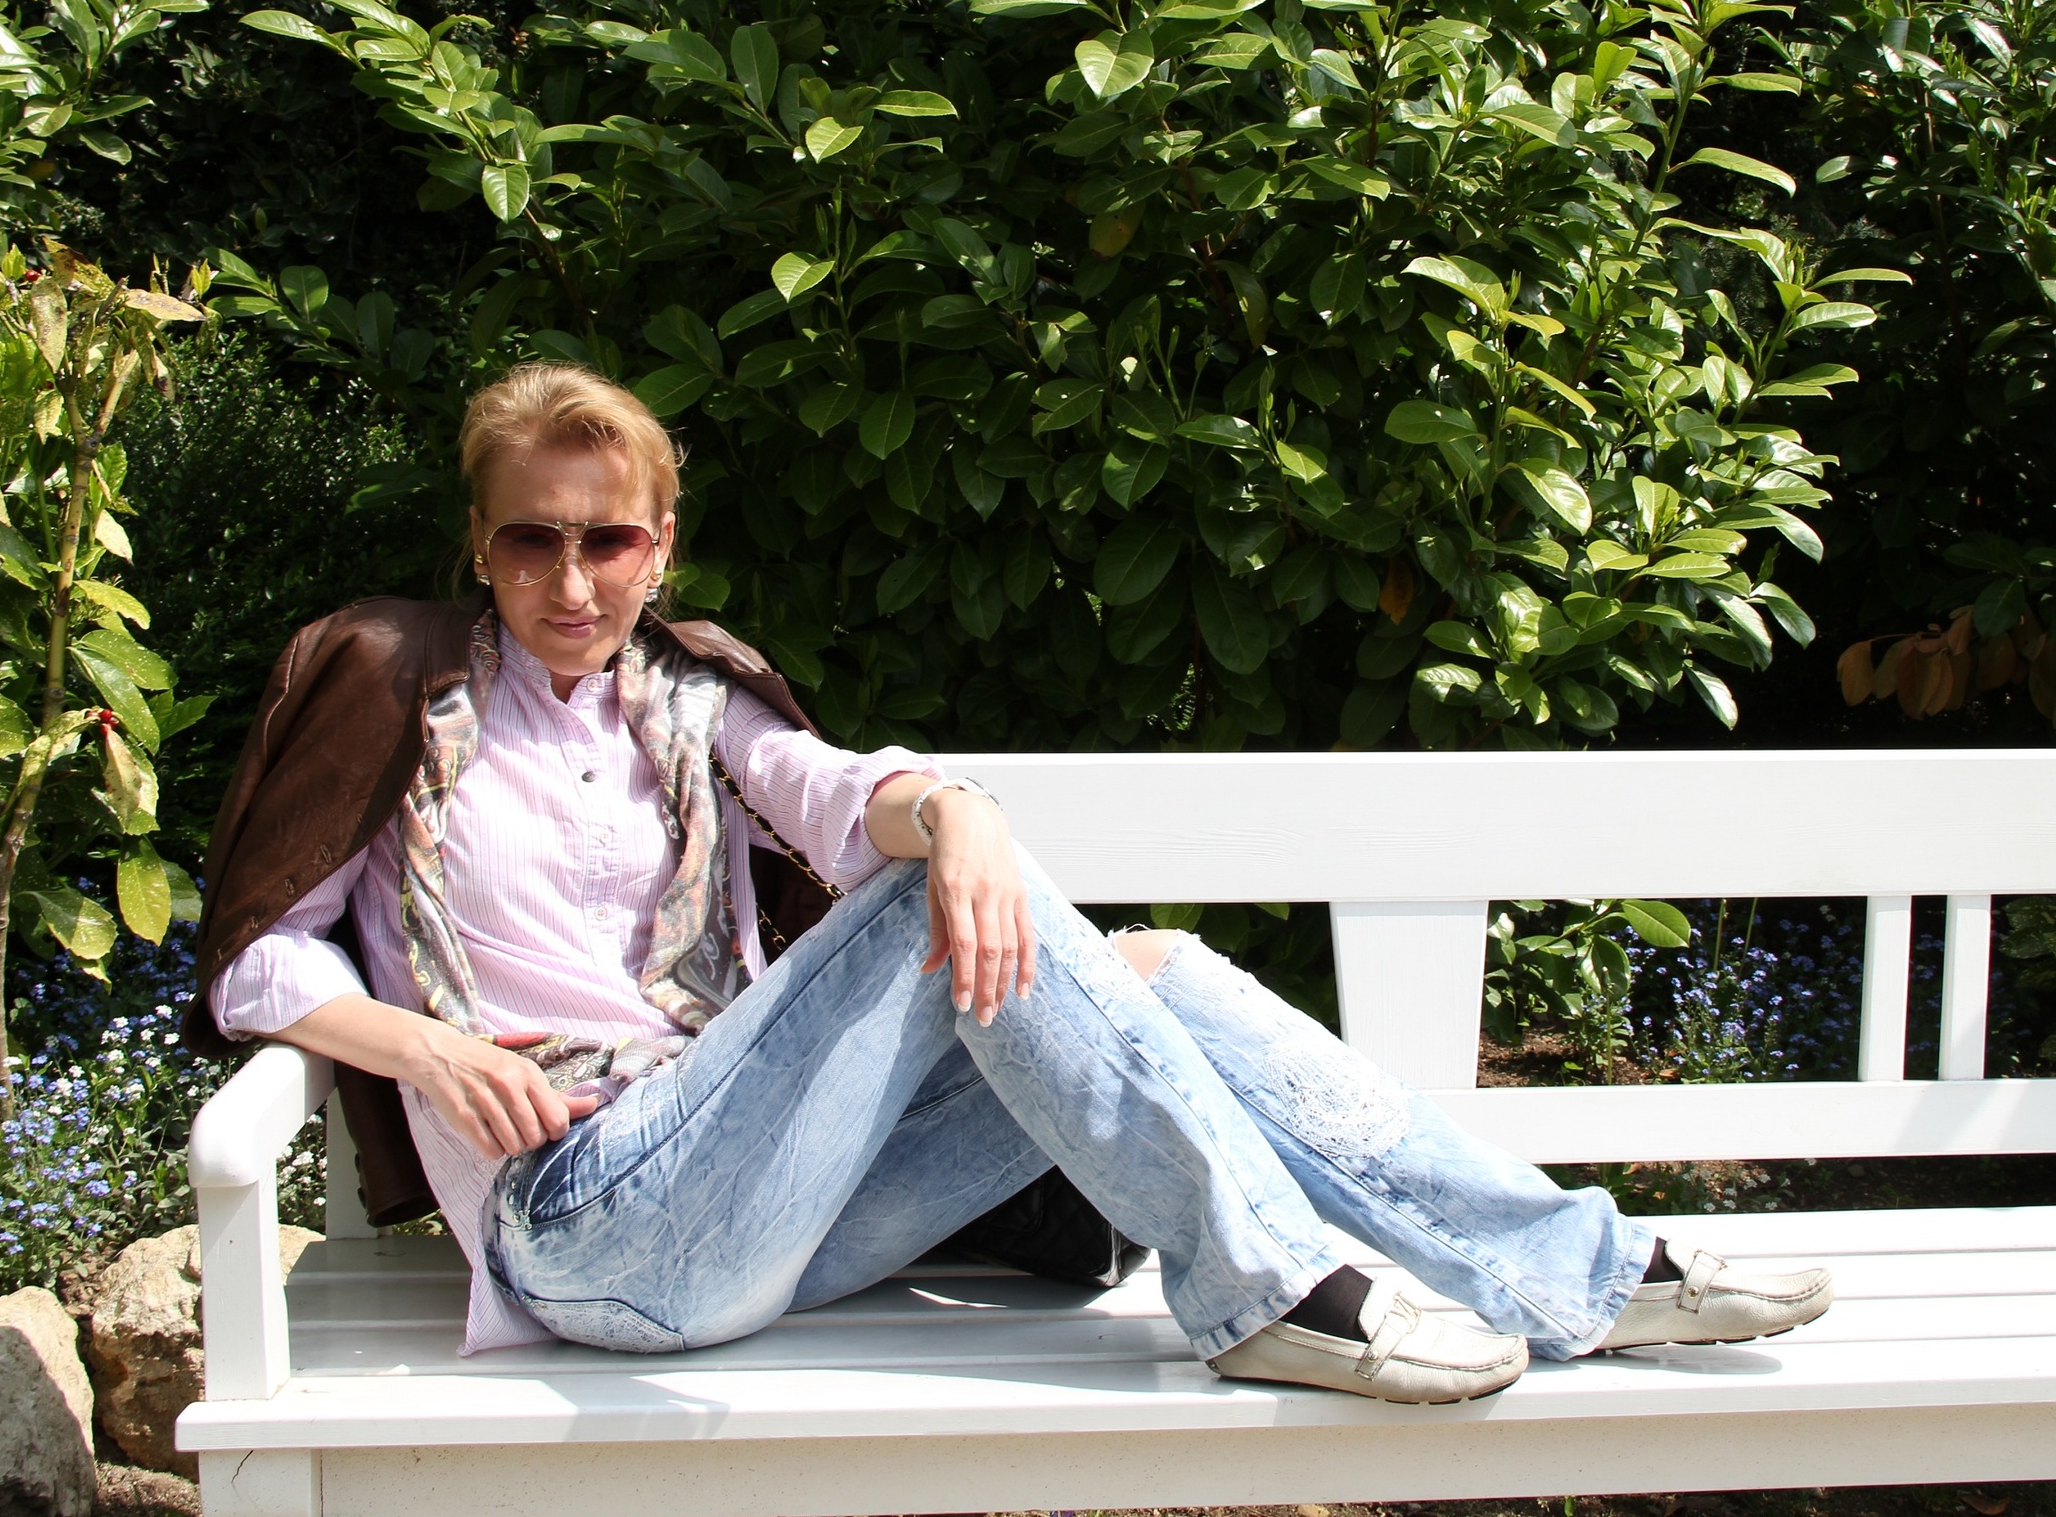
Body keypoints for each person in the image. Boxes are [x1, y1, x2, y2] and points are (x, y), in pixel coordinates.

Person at [189, 362, 1832, 1404]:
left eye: (605, 539)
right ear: (478, 546)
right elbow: (262, 959)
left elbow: (835, 791)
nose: (570, 577)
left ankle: (1576, 1271)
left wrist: (957, 809)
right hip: (581, 1217)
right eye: (529, 539)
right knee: (943, 908)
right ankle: (1269, 1286)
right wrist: (419, 1045)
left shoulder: (691, 702)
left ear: (660, 543)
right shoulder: (404, 702)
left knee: (1148, 969)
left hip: (767, 1208)